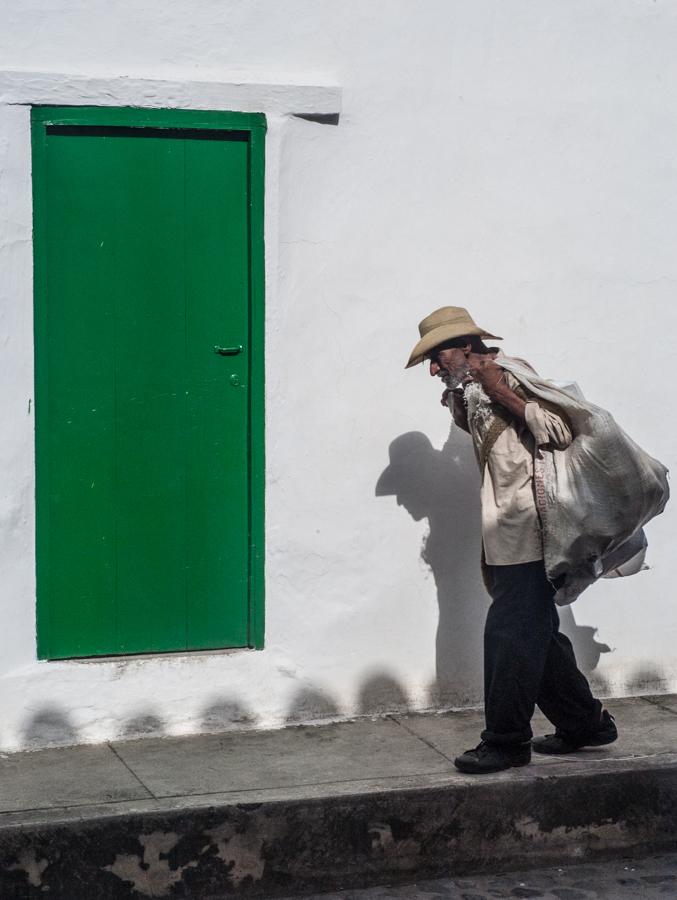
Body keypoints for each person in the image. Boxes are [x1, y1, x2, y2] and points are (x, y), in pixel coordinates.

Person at [405, 306, 618, 775]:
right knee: (534, 630)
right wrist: (465, 395)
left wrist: (505, 391)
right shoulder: (474, 389)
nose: (434, 369)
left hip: (534, 528)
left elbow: (561, 431)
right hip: (507, 530)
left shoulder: (510, 375)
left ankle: (505, 741)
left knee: (510, 632)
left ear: (465, 345)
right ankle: (585, 724)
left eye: (437, 358)